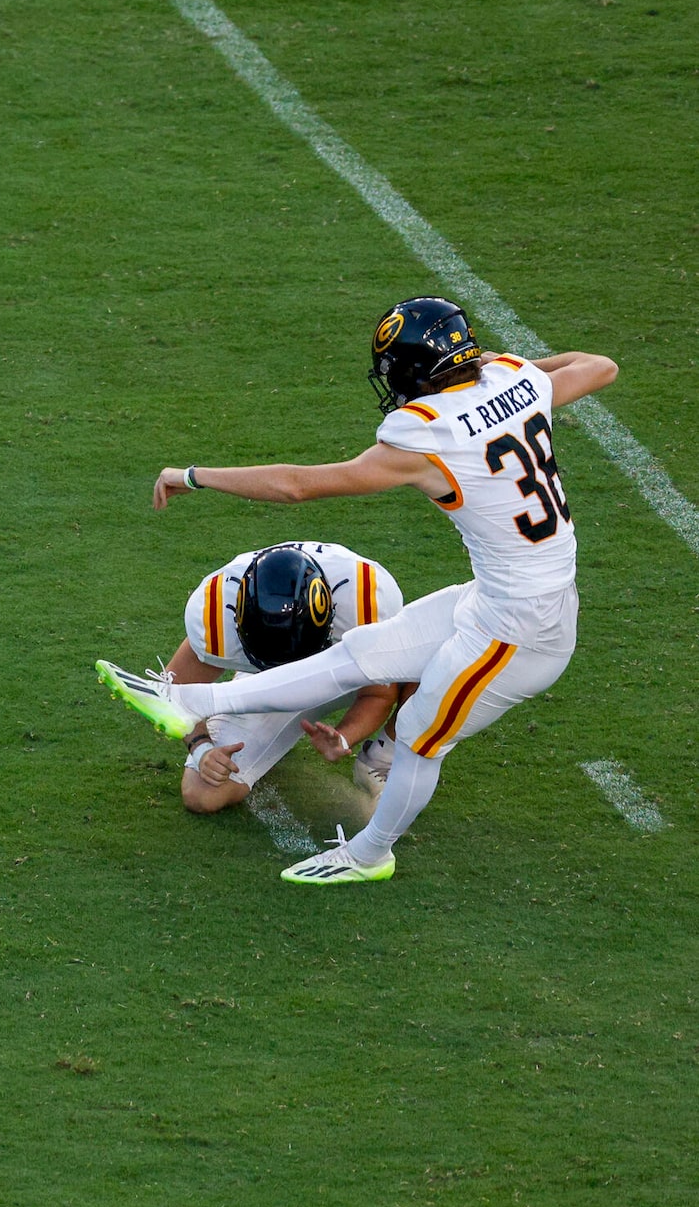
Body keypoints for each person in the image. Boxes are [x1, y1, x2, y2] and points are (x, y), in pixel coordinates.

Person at [103, 297, 615, 882]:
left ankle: (370, 855)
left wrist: (194, 475)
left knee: (421, 739)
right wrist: (504, 379)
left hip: (523, 631)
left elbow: (299, 486)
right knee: (361, 652)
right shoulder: (519, 379)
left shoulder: (426, 437)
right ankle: (195, 703)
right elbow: (600, 365)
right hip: (499, 598)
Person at [142, 543, 406, 815]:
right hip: (264, 682)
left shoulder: (368, 601)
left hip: (340, 675)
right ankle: (259, 703)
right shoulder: (215, 613)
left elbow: (378, 693)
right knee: (202, 793)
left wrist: (344, 736)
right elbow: (176, 688)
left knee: (430, 655)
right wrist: (202, 749)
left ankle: (381, 761)